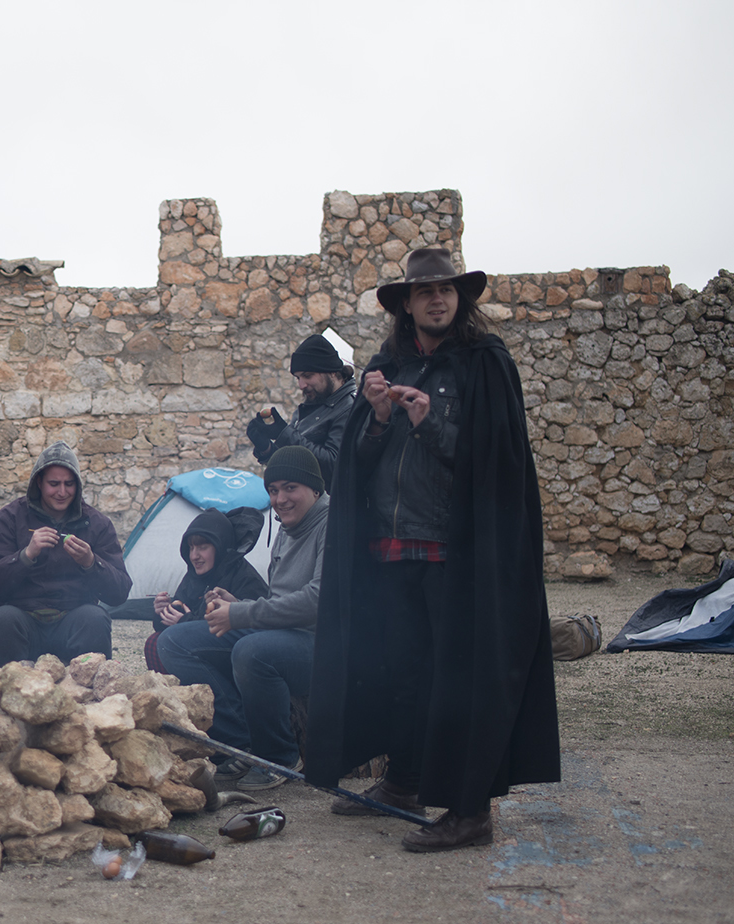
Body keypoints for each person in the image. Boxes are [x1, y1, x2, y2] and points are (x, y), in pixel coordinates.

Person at [305, 247, 560, 853]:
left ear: (460, 299)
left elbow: (498, 461)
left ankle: (470, 812)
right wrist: (374, 418)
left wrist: (430, 422)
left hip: (457, 552)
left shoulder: (484, 364)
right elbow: (359, 464)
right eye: (425, 293)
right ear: (407, 305)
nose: (438, 300)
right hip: (391, 550)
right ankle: (406, 781)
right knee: (401, 671)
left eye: (447, 291)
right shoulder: (386, 364)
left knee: (460, 681)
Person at [156, 446, 329, 790]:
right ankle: (243, 742)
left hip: (323, 643)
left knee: (251, 651)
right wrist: (238, 603)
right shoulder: (286, 527)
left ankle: (278, 757)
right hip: (282, 632)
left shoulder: (331, 524)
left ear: (315, 488)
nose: (280, 499)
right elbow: (279, 600)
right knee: (173, 642)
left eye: (290, 488)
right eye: (273, 490)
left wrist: (243, 613)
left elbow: (318, 600)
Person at [0, 442, 131, 666]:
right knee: (3, 618)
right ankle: (9, 689)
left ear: (77, 485)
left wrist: (90, 562)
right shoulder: (10, 518)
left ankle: (89, 691)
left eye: (69, 484)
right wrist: (26, 556)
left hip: (74, 619)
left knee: (95, 617)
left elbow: (119, 593)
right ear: (38, 482)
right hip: (24, 618)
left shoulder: (97, 523)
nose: (62, 492)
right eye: (54, 484)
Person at [143, 507, 269, 673]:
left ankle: (223, 698)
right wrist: (163, 612)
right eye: (191, 548)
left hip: (235, 658)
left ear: (220, 546)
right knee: (154, 643)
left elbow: (250, 634)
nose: (194, 556)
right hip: (194, 646)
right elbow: (176, 616)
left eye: (202, 547)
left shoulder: (245, 578)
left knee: (170, 643)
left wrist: (185, 622)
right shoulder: (193, 577)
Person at [245, 334, 358, 488]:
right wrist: (267, 449)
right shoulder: (311, 405)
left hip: (330, 509)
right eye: (298, 378)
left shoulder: (349, 407)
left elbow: (334, 466)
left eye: (308, 376)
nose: (301, 385)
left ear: (332, 372)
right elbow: (294, 467)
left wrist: (284, 434)